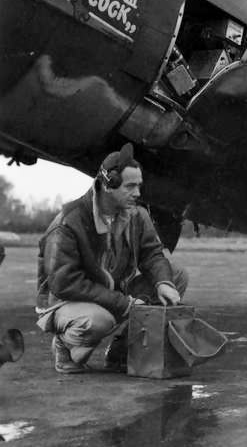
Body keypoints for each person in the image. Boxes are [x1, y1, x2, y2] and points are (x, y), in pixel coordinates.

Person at [36, 143, 188, 374]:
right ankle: (65, 347)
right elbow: (64, 283)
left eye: (139, 186)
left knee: (176, 275)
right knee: (99, 321)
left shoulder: (137, 215)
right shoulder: (68, 222)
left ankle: (122, 349)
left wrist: (164, 283)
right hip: (67, 301)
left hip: (111, 293)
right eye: (130, 186)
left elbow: (153, 254)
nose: (138, 193)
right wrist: (124, 304)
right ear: (109, 184)